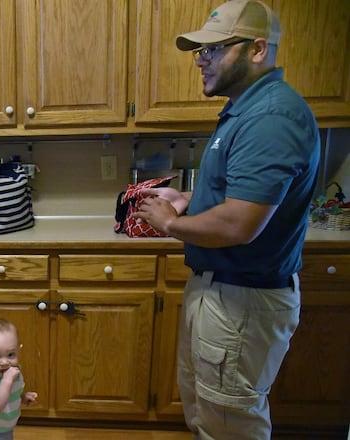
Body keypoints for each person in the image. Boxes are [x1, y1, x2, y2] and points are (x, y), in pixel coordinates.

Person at [132, 1, 320, 439]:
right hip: (223, 291)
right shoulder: (247, 109)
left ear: (257, 49)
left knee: (230, 423)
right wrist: (186, 198)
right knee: (207, 412)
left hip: (243, 299)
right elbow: (236, 196)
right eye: (201, 52)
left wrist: (171, 223)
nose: (202, 61)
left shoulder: (271, 116)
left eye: (214, 50)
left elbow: (238, 223)